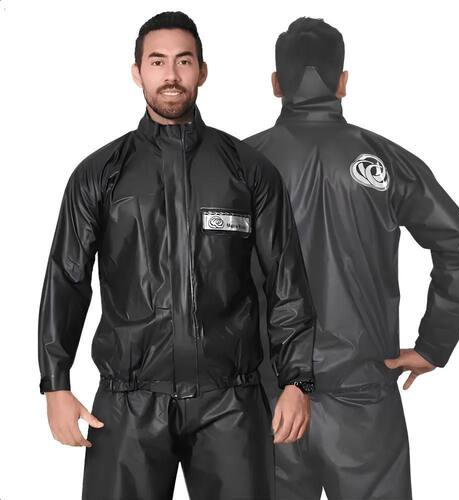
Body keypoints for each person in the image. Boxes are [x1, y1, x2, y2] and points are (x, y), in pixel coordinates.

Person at [38, 11, 316, 500]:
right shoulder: (99, 175)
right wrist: (55, 383)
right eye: (157, 61)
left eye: (184, 61)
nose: (171, 74)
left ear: (202, 72)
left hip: (230, 402)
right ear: (137, 72)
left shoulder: (249, 171)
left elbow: (285, 278)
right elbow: (67, 278)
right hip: (128, 403)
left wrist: (296, 380)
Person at [244, 17, 459, 500]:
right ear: (343, 82)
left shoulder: (241, 165)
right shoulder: (385, 161)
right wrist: (433, 345)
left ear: (275, 84)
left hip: (269, 398)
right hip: (364, 399)